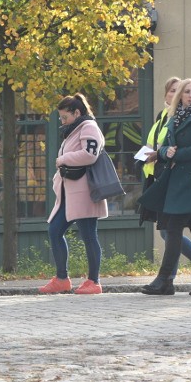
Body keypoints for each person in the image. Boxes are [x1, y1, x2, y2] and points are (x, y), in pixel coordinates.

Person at [141, 78, 191, 296]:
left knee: (173, 229)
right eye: (187, 92)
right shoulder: (173, 117)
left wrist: (179, 154)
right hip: (175, 178)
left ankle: (165, 279)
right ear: (180, 96)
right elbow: (166, 145)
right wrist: (166, 152)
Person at [39, 94, 107, 295]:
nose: (62, 121)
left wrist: (63, 159)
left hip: (84, 191)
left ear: (77, 112)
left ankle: (94, 281)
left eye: (64, 117)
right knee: (54, 230)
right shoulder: (75, 129)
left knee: (88, 235)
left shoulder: (88, 127)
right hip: (70, 192)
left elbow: (90, 154)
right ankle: (62, 279)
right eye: (60, 117)